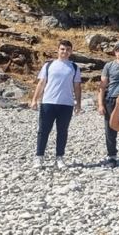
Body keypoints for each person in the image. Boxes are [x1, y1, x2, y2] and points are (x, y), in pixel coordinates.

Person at [30, 40, 82, 169]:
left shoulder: (74, 67)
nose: (65, 52)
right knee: (43, 131)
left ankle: (59, 158)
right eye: (62, 49)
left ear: (71, 51)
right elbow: (41, 83)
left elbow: (77, 86)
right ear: (58, 50)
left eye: (68, 49)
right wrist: (34, 100)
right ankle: (39, 157)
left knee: (62, 131)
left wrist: (78, 103)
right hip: (48, 102)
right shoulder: (49, 65)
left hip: (66, 104)